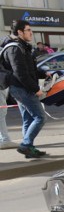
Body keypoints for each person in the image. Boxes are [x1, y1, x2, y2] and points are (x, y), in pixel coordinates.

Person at [0, 20, 49, 158]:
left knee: (28, 119)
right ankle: (26, 145)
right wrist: (36, 89)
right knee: (40, 117)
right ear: (20, 32)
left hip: (22, 88)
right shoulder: (14, 48)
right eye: (28, 30)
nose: (31, 32)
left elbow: (30, 69)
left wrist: (44, 73)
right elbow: (20, 73)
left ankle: (29, 148)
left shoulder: (23, 47)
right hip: (21, 88)